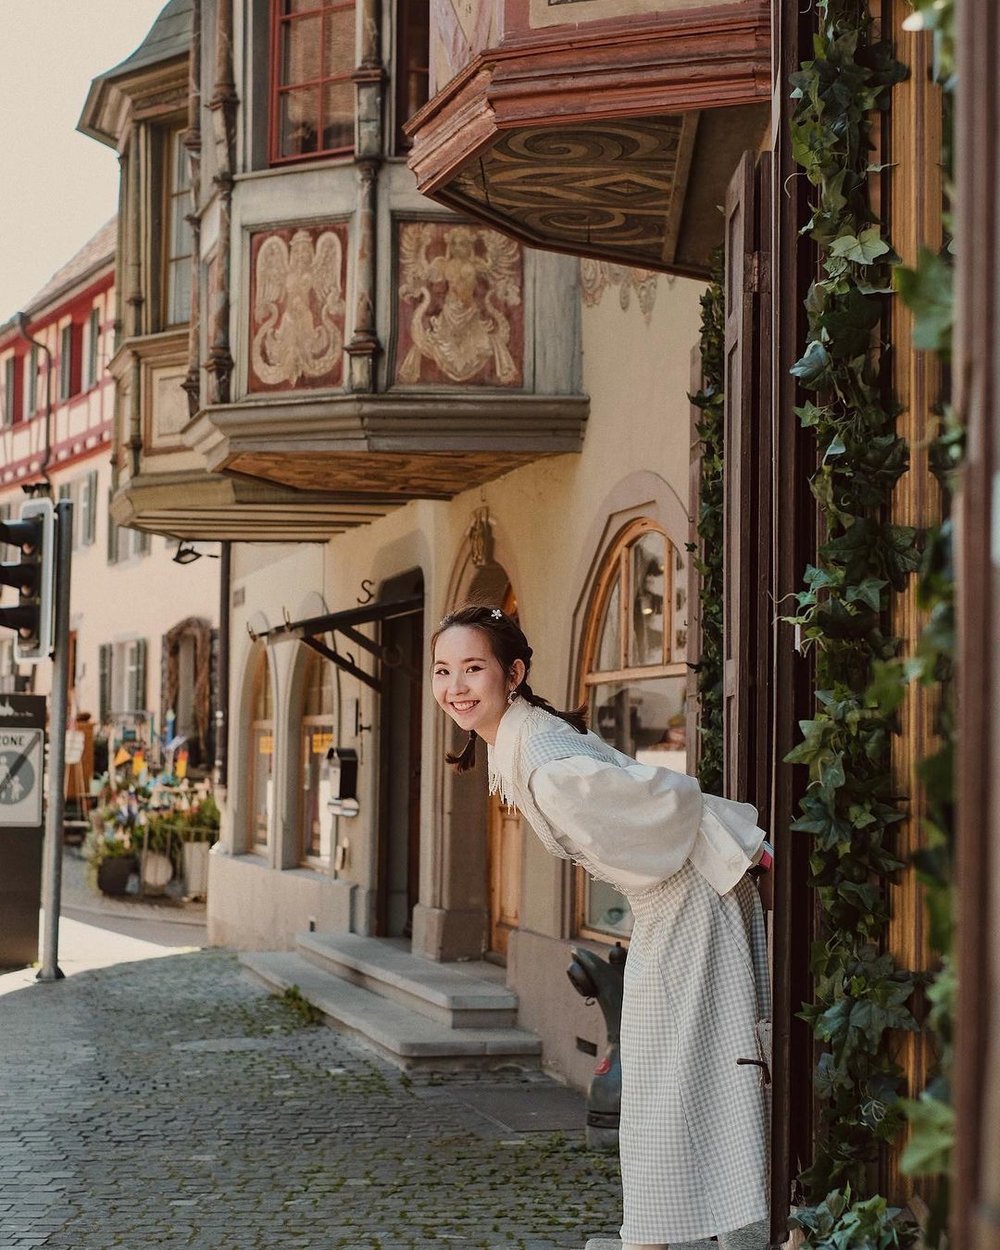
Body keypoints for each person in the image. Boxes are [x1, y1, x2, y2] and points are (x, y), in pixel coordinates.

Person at [431, 604, 771, 1250]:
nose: (456, 687)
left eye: (473, 668)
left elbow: (657, 797)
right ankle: (677, 1232)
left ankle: (707, 1231)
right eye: (444, 671)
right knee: (679, 1075)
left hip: (689, 905)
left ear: (513, 673)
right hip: (670, 906)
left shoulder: (545, 761)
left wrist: (738, 843)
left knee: (693, 1073)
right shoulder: (525, 738)